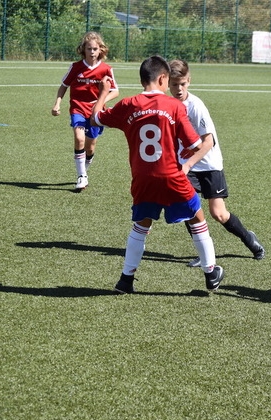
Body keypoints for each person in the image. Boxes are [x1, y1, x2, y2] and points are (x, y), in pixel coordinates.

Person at [90, 55, 224, 293]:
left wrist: (104, 92)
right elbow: (195, 145)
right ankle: (211, 272)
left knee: (141, 227)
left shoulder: (128, 104)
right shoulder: (175, 106)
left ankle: (125, 280)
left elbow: (97, 116)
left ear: (143, 80)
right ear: (163, 78)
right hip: (171, 175)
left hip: (142, 178)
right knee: (197, 218)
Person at [168, 59, 265, 267]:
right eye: (174, 84)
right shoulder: (170, 106)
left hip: (209, 164)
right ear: (167, 83)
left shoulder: (196, 106)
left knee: (218, 213)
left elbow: (208, 142)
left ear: (189, 81)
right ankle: (205, 253)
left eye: (182, 84)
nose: (178, 89)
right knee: (189, 208)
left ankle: (250, 239)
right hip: (188, 166)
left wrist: (187, 164)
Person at [51, 31, 119, 192]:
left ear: (100, 50)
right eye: (89, 49)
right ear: (84, 49)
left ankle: (84, 170)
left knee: (90, 146)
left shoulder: (106, 69)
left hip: (96, 112)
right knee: (79, 138)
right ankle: (81, 176)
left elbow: (115, 91)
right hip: (78, 108)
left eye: (95, 49)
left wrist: (101, 101)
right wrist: (57, 104)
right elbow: (63, 86)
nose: (92, 52)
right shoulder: (76, 67)